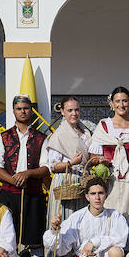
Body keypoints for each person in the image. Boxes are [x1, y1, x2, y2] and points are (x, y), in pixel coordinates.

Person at [89, 86, 129, 247]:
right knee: (109, 211)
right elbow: (93, 156)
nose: (121, 105)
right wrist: (101, 160)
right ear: (112, 103)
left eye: (124, 101)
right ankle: (108, 250)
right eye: (117, 101)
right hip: (110, 178)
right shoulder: (103, 126)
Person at [0, 94, 50, 252]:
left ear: (31, 110)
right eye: (19, 109)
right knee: (8, 236)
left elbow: (46, 168)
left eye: (26, 108)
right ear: (13, 111)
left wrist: (28, 173)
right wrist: (13, 180)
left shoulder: (42, 138)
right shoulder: (3, 138)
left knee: (35, 238)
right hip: (8, 197)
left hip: (33, 196)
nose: (22, 112)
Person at [42, 96, 93, 225]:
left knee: (81, 222)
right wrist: (71, 163)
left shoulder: (85, 131)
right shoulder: (59, 135)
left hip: (81, 181)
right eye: (70, 110)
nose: (74, 113)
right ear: (63, 112)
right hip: (66, 181)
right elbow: (53, 166)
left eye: (76, 110)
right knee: (66, 221)